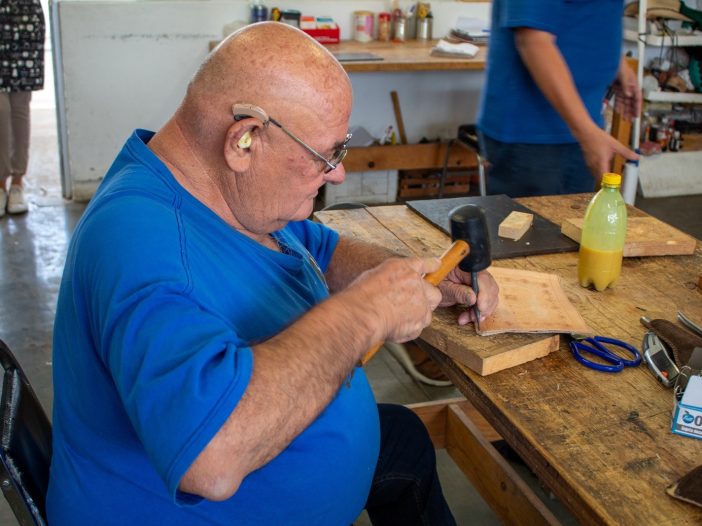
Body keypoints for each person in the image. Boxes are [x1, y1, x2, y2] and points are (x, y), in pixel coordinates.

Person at [48, 22, 499, 525]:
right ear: (244, 141)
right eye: (326, 156)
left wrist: (414, 275)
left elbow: (318, 247)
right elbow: (211, 457)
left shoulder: (221, 194)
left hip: (294, 464)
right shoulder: (137, 241)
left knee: (403, 441)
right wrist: (365, 315)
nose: (338, 173)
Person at [477, 0, 642, 197]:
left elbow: (589, 14)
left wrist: (617, 62)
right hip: (534, 134)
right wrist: (586, 132)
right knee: (533, 218)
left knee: (573, 216)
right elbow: (533, 40)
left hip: (581, 125)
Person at [0, 0, 45, 216]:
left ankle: (17, 182)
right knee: (1, 111)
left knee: (20, 110)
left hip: (24, 20)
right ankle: (0, 183)